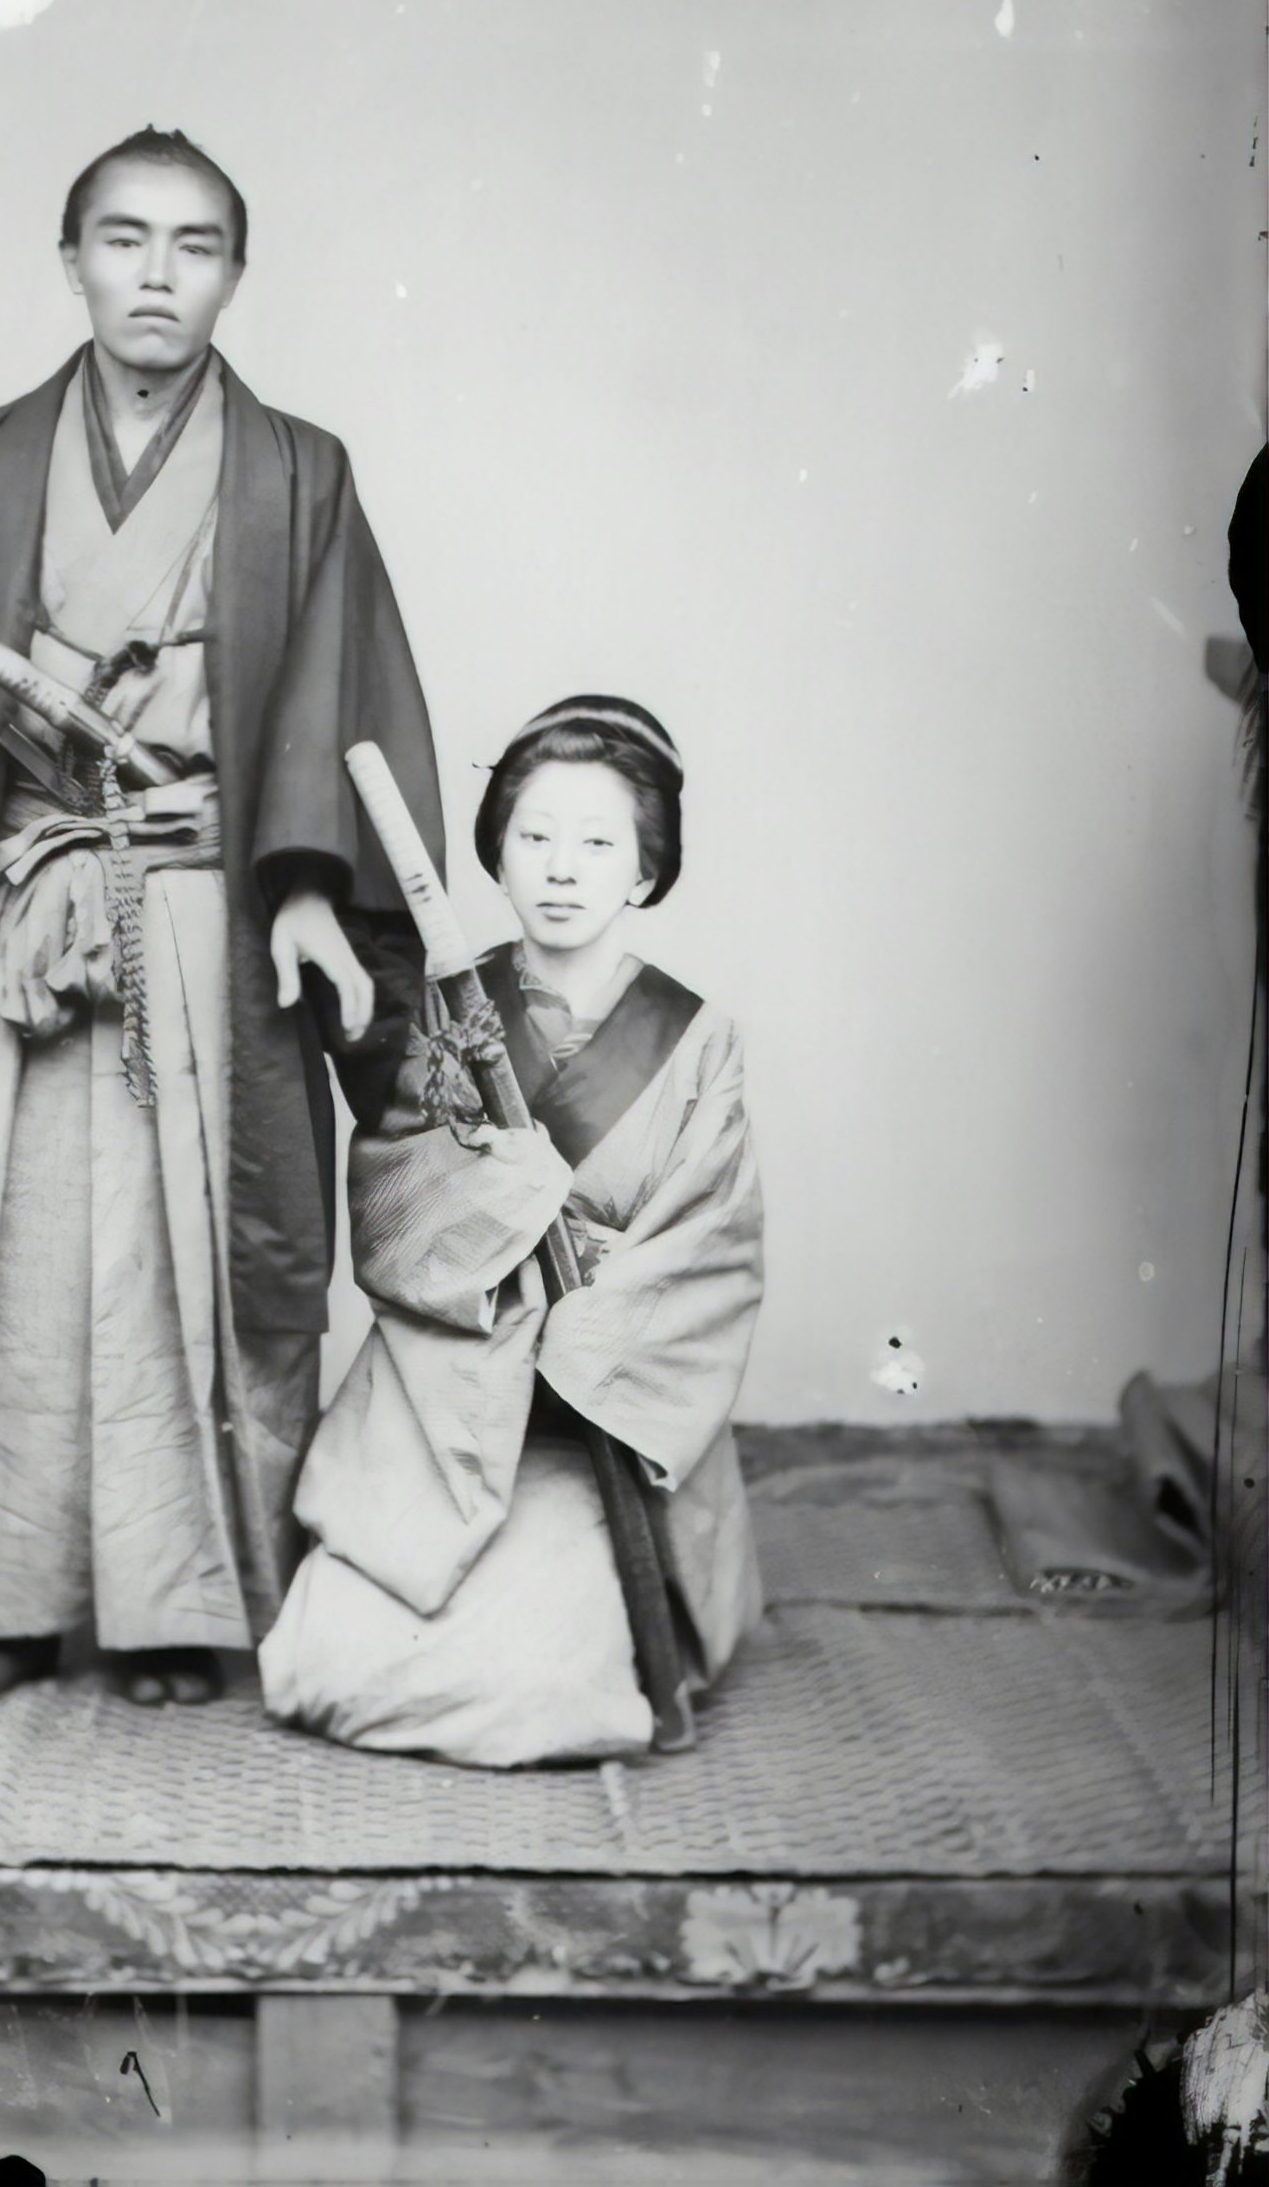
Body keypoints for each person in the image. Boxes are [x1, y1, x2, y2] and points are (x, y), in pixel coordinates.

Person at [0, 127, 441, 1716]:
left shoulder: (302, 470)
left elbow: (327, 706)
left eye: (196, 245)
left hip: (201, 909)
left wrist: (306, 898)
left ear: (238, 268)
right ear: (71, 256)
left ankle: (174, 1607)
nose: (158, 275)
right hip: (26, 904)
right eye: (124, 239)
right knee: (15, 1258)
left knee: (190, 1256)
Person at [259, 694, 763, 1767]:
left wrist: (587, 1320)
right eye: (534, 837)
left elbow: (710, 1246)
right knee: (321, 1662)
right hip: (455, 1402)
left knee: (544, 1683)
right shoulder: (453, 1009)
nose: (562, 867)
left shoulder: (696, 1039)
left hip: (597, 1414)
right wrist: (513, 1207)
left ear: (644, 869)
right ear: (498, 853)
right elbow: (392, 1202)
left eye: (596, 842)